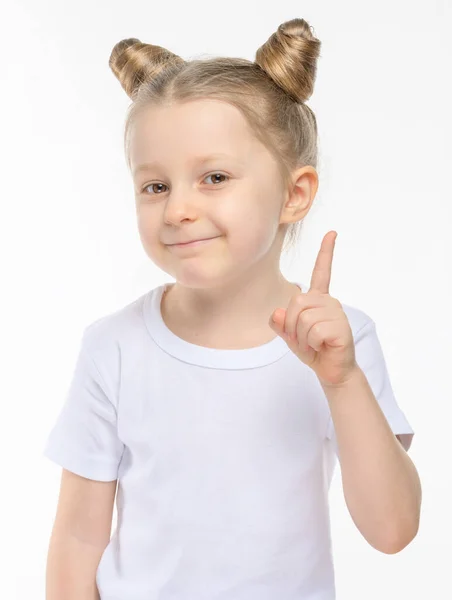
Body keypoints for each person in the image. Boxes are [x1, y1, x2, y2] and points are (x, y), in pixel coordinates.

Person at [43, 17, 421, 600]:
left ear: (294, 195)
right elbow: (76, 541)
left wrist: (342, 382)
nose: (178, 209)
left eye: (213, 177)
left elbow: (393, 531)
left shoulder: (341, 342)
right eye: (155, 185)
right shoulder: (113, 347)